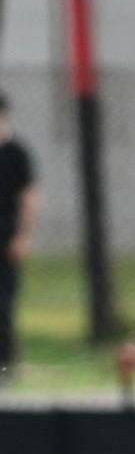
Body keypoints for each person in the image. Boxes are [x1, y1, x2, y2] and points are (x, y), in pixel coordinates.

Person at [0, 92, 40, 379]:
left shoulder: (17, 153)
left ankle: (7, 363)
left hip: (6, 235)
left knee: (4, 301)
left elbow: (30, 197)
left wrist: (24, 237)